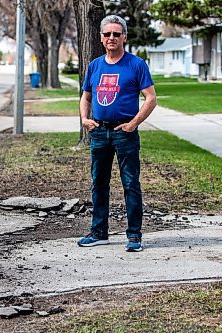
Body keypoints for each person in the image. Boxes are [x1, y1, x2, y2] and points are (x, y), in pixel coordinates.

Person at [77, 15, 157, 252]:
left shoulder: (136, 64)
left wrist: (134, 123)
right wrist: (84, 119)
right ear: (101, 38)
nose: (111, 38)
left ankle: (134, 236)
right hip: (99, 132)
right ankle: (98, 233)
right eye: (107, 34)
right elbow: (86, 96)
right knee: (98, 183)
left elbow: (151, 98)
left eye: (116, 34)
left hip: (125, 132)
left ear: (124, 37)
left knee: (130, 184)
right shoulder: (95, 65)